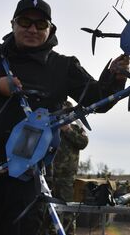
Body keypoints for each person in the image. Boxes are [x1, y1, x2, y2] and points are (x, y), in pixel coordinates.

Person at [0, 0, 129, 235]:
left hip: (24, 182)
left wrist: (114, 78)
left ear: (50, 29)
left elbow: (98, 99)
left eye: (40, 24)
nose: (32, 29)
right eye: (25, 22)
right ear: (13, 23)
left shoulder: (64, 67)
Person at [43, 101, 89, 235]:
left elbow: (83, 142)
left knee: (67, 209)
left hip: (66, 178)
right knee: (49, 210)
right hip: (49, 176)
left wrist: (67, 129)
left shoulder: (76, 127)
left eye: (66, 112)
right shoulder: (51, 125)